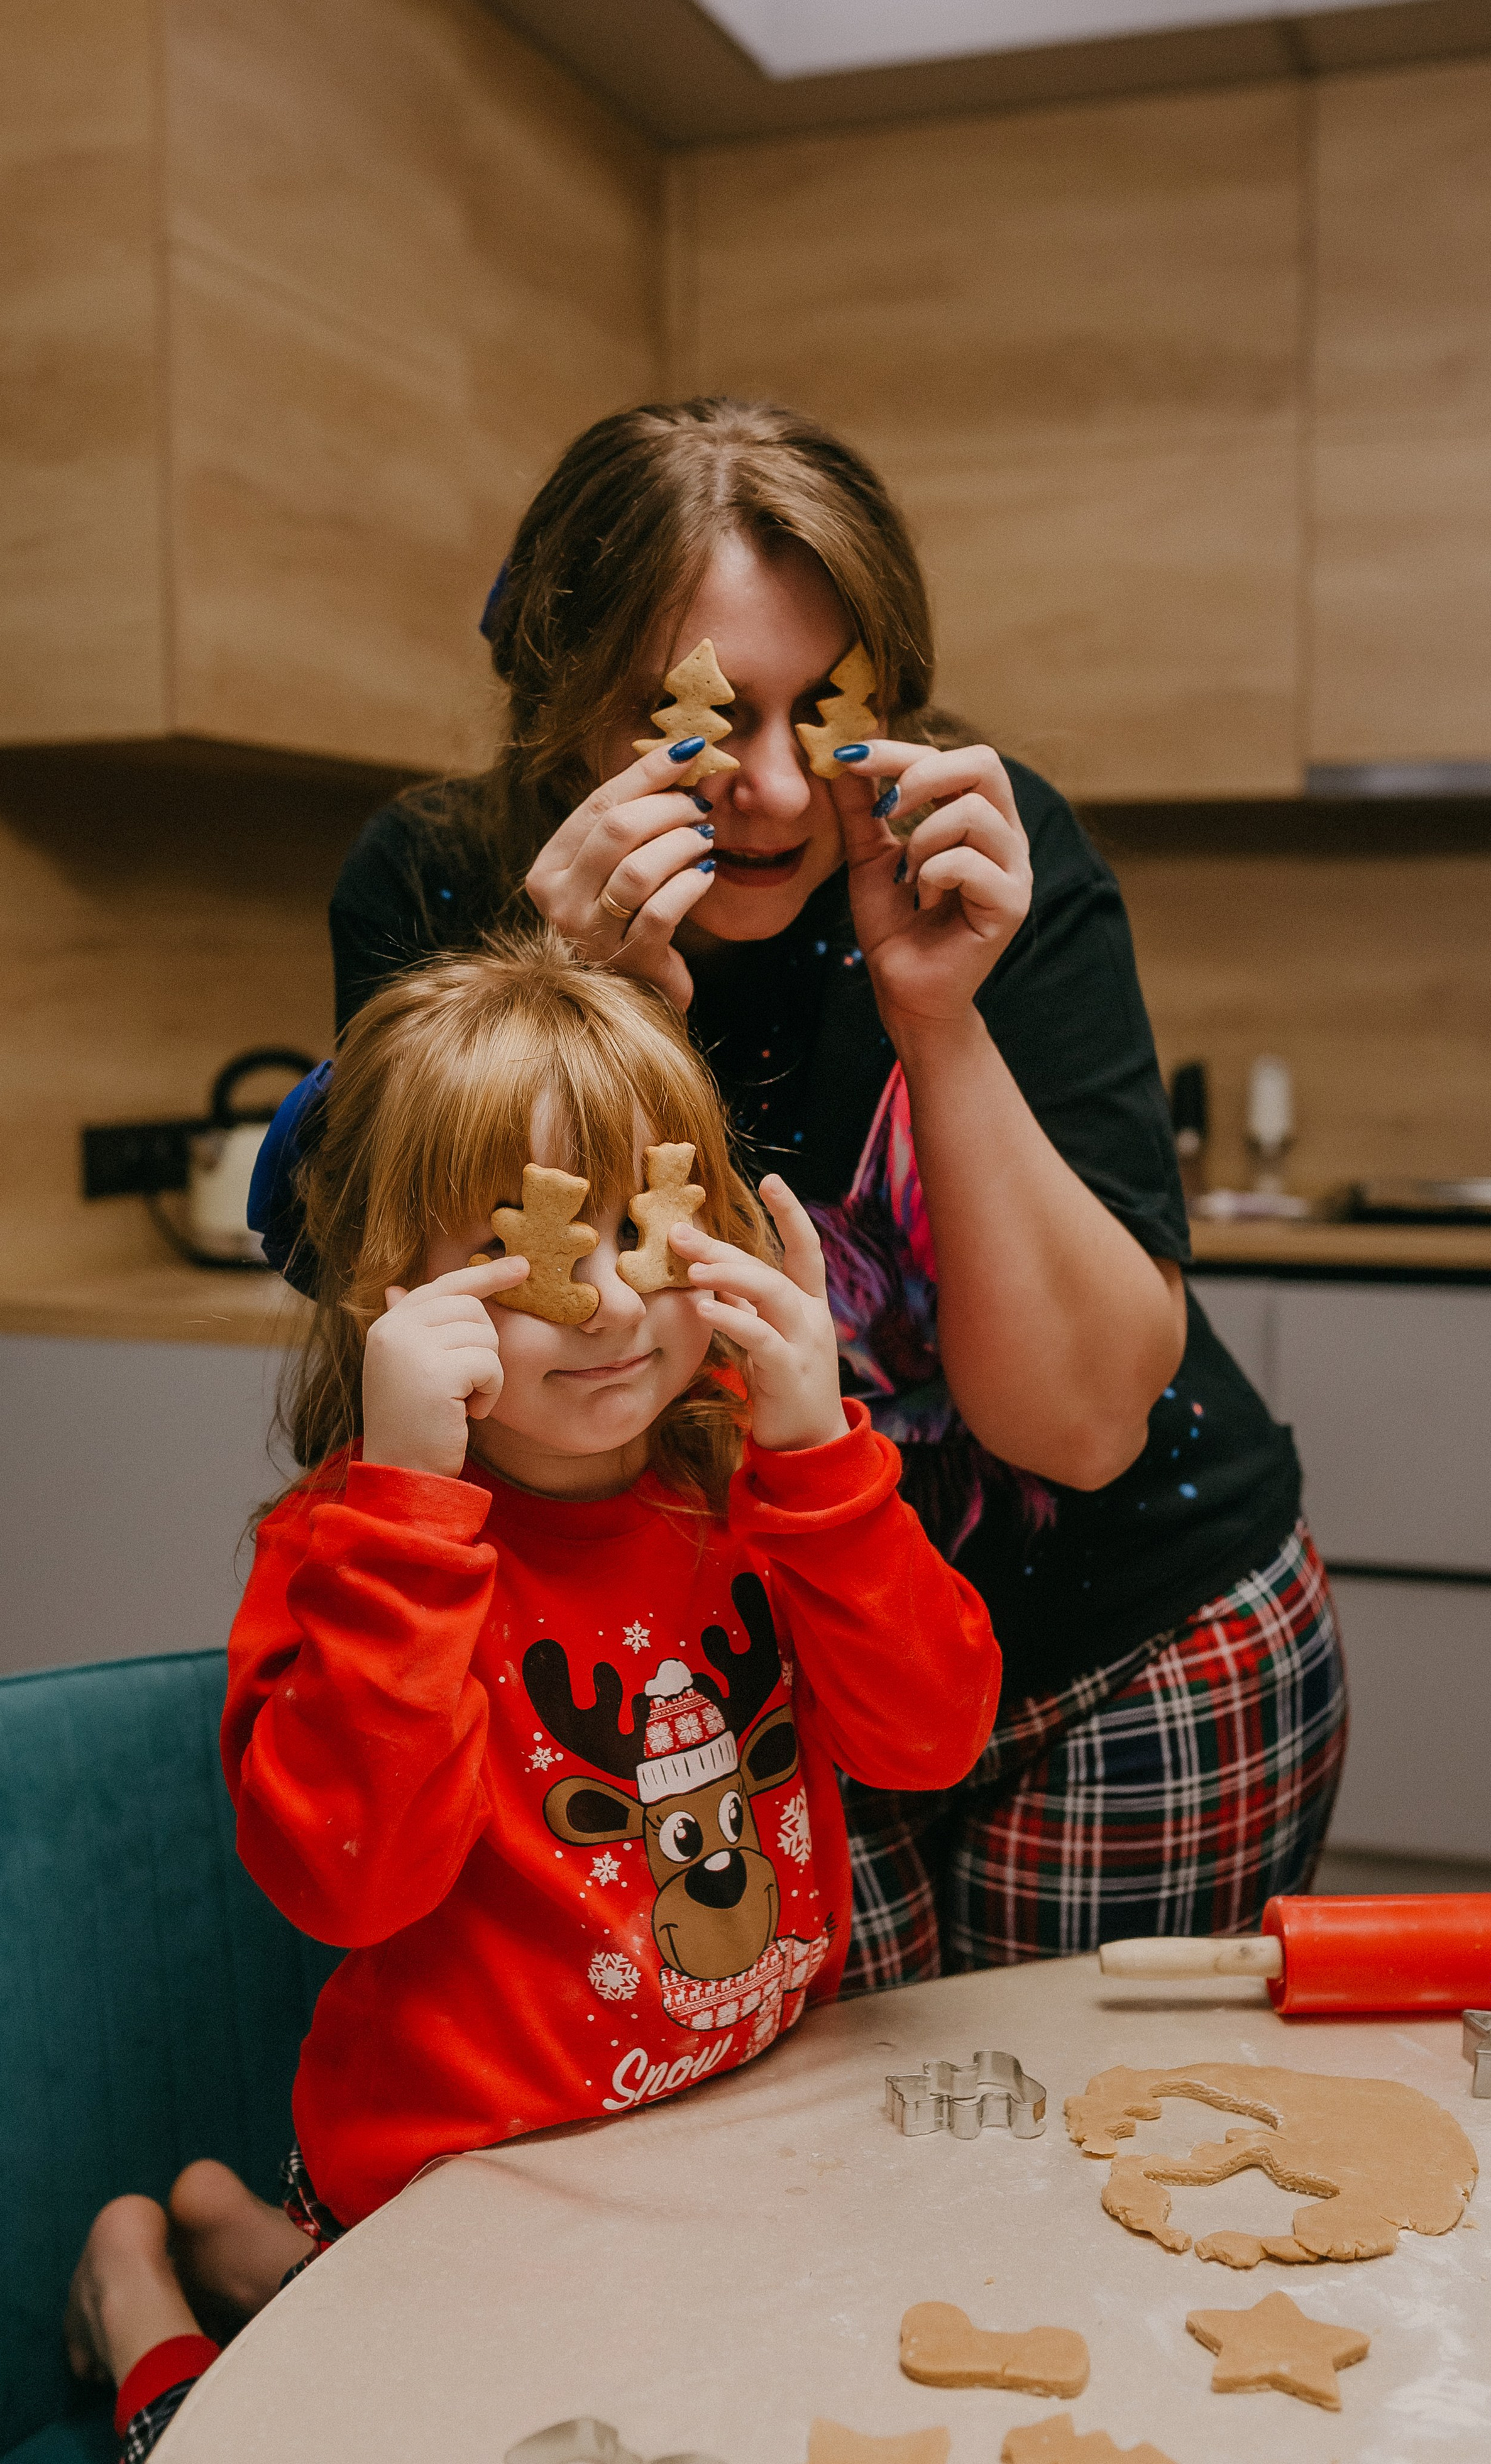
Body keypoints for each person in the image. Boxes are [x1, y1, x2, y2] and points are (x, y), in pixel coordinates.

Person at [322, 395, 1348, 1993]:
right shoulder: (437, 883)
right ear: (567, 702)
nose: (779, 791)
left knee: (1063, 2179)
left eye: (822, 712)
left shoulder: (981, 852)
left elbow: (1074, 1426)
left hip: (1137, 1643)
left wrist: (933, 1006)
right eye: (704, 717)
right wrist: (576, 1011)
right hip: (729, 1679)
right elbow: (459, 1372)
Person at [65, 933, 1001, 2457]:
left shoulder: (756, 1482)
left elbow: (931, 1733)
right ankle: (139, 2298)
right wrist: (411, 1517)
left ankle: (249, 2243)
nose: (612, 1305)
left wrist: (824, 1452)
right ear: (392, 1294)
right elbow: (352, 1886)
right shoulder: (352, 1551)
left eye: (655, 1228)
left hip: (720, 2148)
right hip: (458, 2192)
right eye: (535, 1252)